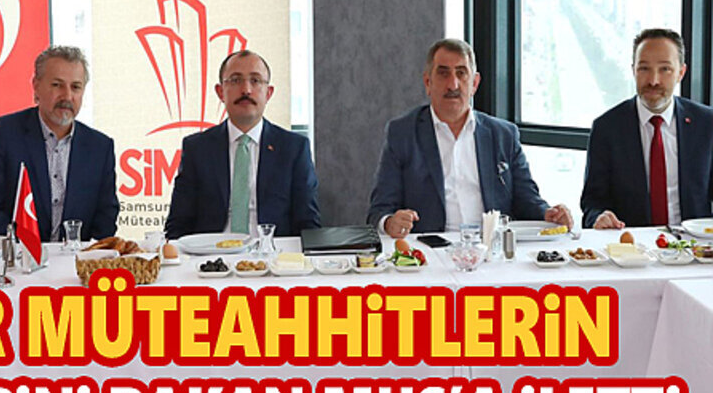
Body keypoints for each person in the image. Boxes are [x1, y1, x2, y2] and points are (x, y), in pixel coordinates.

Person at [367, 38, 573, 238]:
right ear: (428, 82)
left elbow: (527, 199)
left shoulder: (503, 135)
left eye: (461, 73)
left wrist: (549, 214)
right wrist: (390, 223)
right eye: (443, 73)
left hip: (491, 248)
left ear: (474, 83)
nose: (453, 84)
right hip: (430, 250)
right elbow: (379, 209)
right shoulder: (402, 133)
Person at [165, 49, 320, 239]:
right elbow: (178, 225)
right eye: (236, 80)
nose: (246, 90)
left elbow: (308, 225)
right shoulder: (197, 148)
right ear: (220, 92)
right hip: (211, 254)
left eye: (255, 80)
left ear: (268, 93)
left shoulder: (293, 148)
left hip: (274, 253)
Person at [0, 46, 118, 240]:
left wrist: (86, 254)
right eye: (57, 85)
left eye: (75, 87)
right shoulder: (4, 133)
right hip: (18, 254)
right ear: (36, 86)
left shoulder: (100, 147)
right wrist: (25, 248)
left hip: (77, 257)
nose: (67, 96)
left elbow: (106, 216)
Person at [581, 28, 713, 229]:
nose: (653, 81)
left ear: (681, 72)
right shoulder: (607, 128)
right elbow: (592, 202)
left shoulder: (706, 124)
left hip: (694, 243)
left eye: (665, 69)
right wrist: (599, 217)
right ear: (633, 70)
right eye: (644, 69)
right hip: (631, 243)